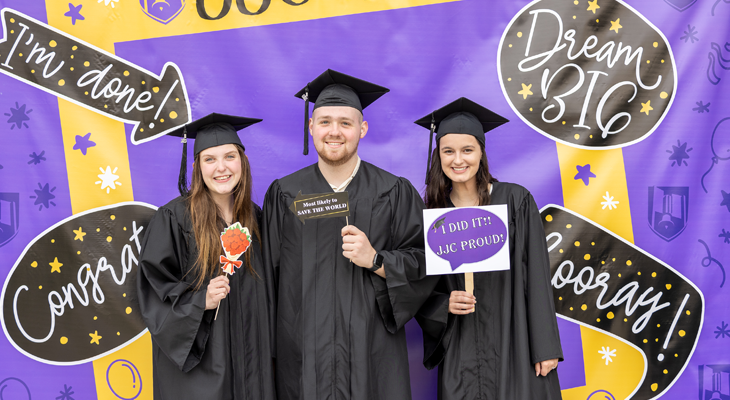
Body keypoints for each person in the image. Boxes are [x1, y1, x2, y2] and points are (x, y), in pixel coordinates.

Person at [262, 69, 438, 400]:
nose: (335, 131)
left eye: (346, 122)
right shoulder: (285, 195)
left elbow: (425, 261)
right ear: (311, 126)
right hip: (303, 358)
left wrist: (376, 259)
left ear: (363, 129)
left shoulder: (394, 191)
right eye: (325, 121)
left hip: (372, 356)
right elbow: (268, 284)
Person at [414, 98, 563, 400]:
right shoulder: (434, 215)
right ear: (438, 156)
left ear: (481, 152)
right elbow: (420, 286)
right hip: (461, 344)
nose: (458, 160)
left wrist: (545, 347)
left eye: (467, 150)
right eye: (448, 151)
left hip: (515, 338)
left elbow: (536, 274)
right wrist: (445, 304)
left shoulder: (514, 200)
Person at [136, 113, 276, 400]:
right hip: (202, 372)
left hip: (253, 365)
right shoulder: (174, 219)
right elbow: (153, 292)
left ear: (242, 163)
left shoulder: (257, 219)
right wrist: (201, 301)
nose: (221, 168)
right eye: (210, 159)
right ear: (197, 166)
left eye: (230, 157)